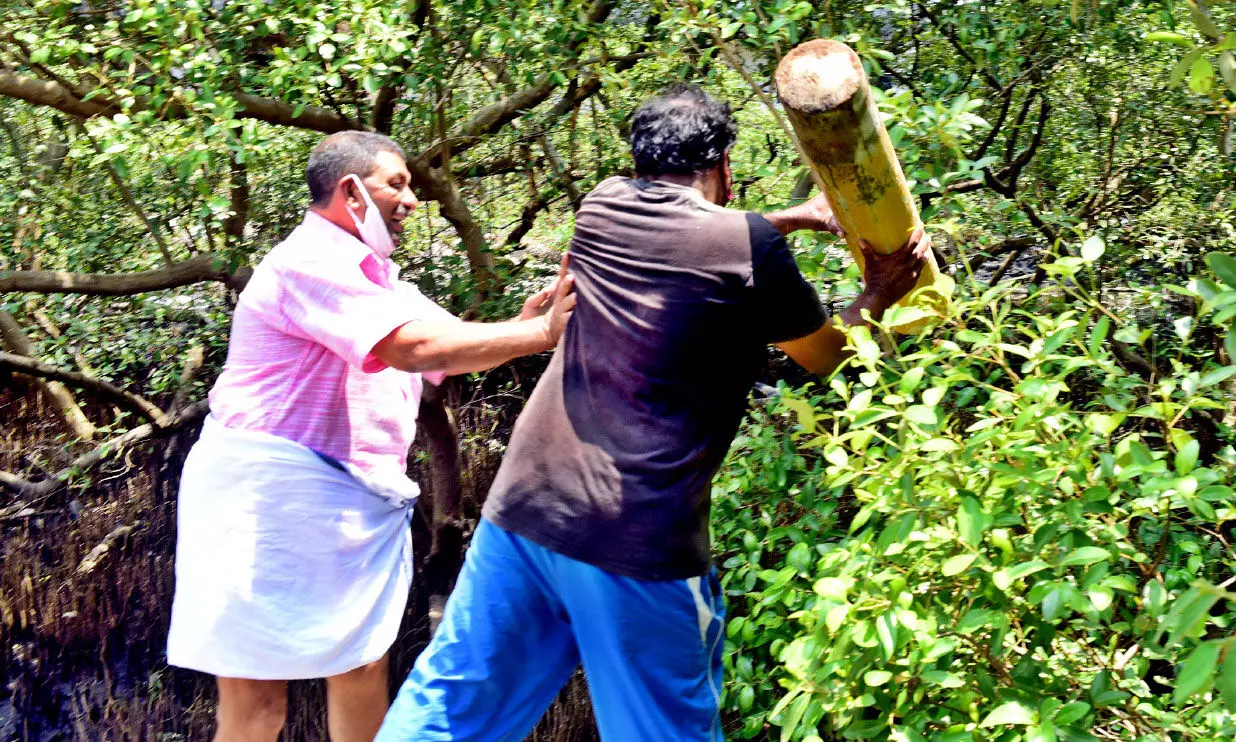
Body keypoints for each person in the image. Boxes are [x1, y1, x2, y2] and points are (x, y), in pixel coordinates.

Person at [376, 84, 929, 741]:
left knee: (451, 710)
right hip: (633, 534)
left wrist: (790, 219)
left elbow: (696, 240)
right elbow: (821, 354)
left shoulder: (601, 207)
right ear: (724, 165)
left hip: (526, 506)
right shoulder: (747, 245)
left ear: (639, 161)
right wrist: (882, 291)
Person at [165, 130, 575, 742]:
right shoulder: (308, 261)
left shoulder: (380, 279)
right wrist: (541, 333)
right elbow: (410, 348)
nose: (412, 200)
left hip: (352, 502)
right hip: (265, 500)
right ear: (351, 192)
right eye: (397, 184)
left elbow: (452, 349)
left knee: (361, 668)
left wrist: (522, 323)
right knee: (256, 701)